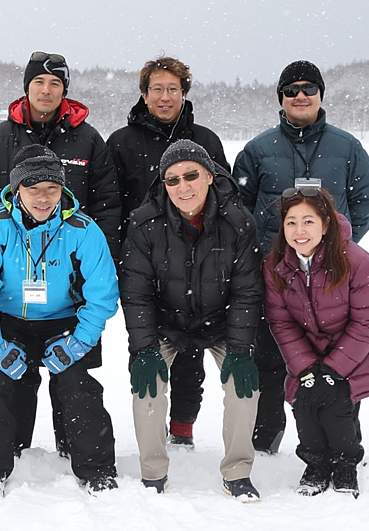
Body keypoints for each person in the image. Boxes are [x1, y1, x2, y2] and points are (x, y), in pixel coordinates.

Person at [0, 51, 121, 456]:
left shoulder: (87, 138)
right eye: (40, 82)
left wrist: (91, 257)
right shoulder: (0, 139)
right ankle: (8, 449)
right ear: (27, 87)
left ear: (65, 90)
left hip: (68, 281)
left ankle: (75, 449)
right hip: (12, 284)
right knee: (3, 384)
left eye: (56, 83)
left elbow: (106, 201)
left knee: (75, 381)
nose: (47, 90)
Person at [232, 60, 369, 454]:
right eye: (292, 89)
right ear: (280, 97)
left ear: (320, 95)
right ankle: (266, 437)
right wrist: (272, 254)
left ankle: (344, 440)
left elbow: (362, 205)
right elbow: (239, 209)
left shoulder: (347, 147)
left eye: (309, 88)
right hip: (275, 275)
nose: (300, 95)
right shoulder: (258, 149)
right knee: (272, 354)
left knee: (339, 358)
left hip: (333, 277)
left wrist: (334, 252)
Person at [0, 148, 119, 499]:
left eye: (51, 188)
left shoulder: (83, 229)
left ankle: (96, 469)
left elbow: (103, 294)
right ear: (17, 190)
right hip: (10, 322)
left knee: (78, 388)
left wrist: (80, 341)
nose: (43, 197)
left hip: (66, 322)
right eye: (33, 188)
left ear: (63, 191)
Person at [119, 140, 264, 502]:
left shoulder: (239, 223)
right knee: (147, 386)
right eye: (172, 180)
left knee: (243, 388)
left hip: (220, 323)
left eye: (191, 176)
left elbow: (247, 292)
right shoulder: (143, 223)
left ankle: (237, 472)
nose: (183, 187)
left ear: (210, 177)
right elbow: (136, 292)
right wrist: (145, 348)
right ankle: (153, 472)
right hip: (166, 324)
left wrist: (241, 349)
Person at [107, 56, 230, 447]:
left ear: (184, 93)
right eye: (156, 89)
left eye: (172, 89)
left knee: (192, 349)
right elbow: (110, 203)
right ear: (144, 95)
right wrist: (117, 253)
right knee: (146, 343)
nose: (164, 97)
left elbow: (225, 198)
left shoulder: (206, 141)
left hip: (199, 262)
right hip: (143, 263)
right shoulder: (122, 143)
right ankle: (151, 427)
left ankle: (183, 426)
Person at [262, 186, 369, 498]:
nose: (299, 230)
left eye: (308, 221)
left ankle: (345, 462)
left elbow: (367, 322)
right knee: (304, 401)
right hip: (308, 349)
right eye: (291, 222)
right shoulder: (276, 264)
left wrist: (334, 370)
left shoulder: (357, 261)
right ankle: (316, 463)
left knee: (337, 402)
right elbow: (281, 321)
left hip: (359, 347)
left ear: (326, 223)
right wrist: (306, 366)